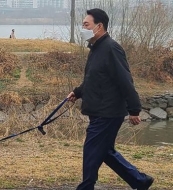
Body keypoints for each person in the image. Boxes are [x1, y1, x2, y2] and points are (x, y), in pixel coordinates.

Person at [67, 8, 154, 190]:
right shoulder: (96, 49)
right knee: (104, 151)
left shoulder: (111, 48)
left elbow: (125, 80)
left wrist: (134, 109)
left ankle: (86, 187)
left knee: (91, 151)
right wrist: (77, 92)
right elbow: (93, 79)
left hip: (107, 112)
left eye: (86, 24)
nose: (82, 28)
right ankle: (140, 181)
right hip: (100, 110)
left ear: (99, 27)